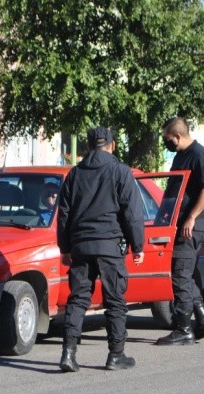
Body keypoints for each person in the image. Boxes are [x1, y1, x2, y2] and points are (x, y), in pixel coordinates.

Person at [56, 126, 145, 371]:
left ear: (87, 146)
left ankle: (68, 354)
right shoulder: (120, 171)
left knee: (78, 299)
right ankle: (116, 355)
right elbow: (132, 212)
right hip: (109, 245)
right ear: (112, 145)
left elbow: (63, 214)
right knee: (115, 300)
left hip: (81, 246)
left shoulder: (74, 174)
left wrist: (65, 247)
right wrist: (138, 245)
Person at [156, 117, 204, 345]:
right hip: (178, 222)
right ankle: (203, 322)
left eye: (167, 139)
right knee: (187, 275)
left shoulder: (198, 154)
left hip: (191, 225)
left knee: (181, 276)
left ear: (178, 136)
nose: (166, 144)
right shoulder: (181, 155)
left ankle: (183, 329)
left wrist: (191, 217)